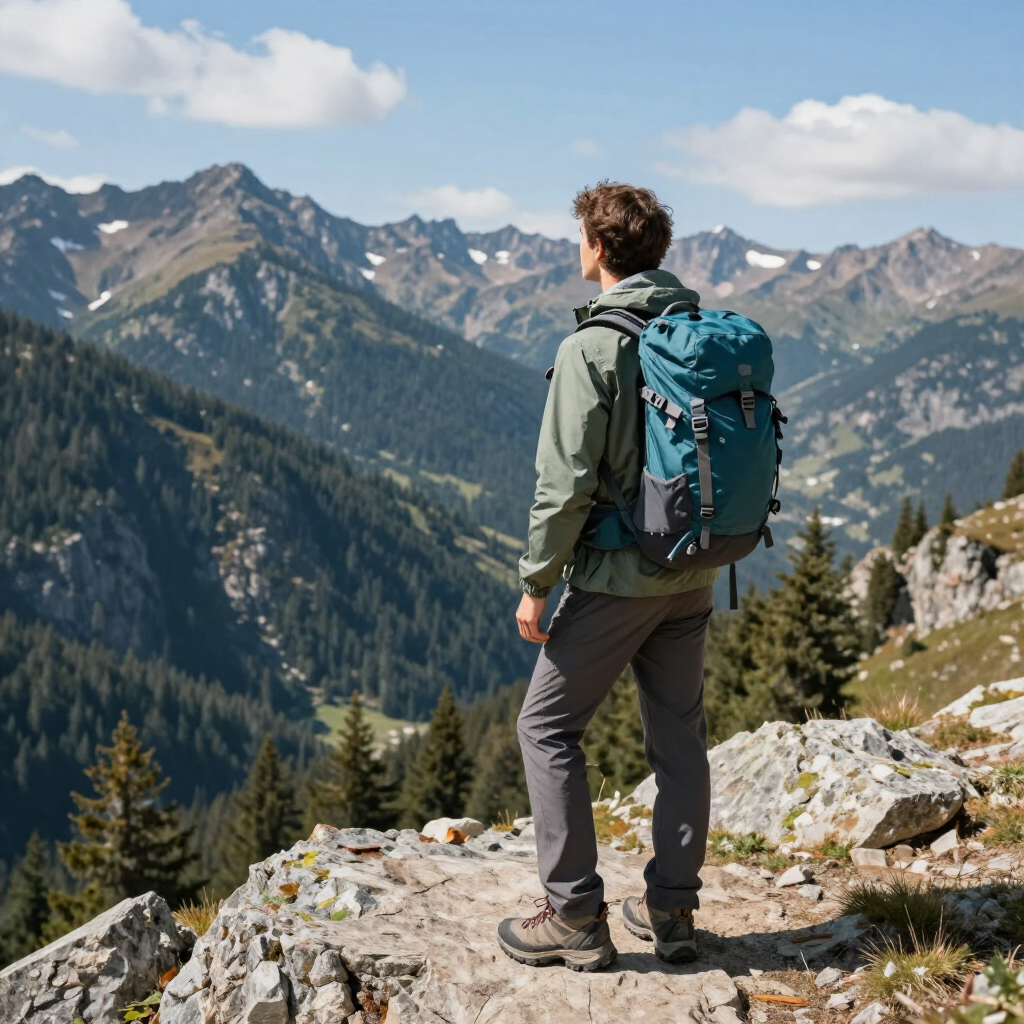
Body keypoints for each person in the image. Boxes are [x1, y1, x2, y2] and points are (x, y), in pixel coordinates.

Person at [496, 181, 716, 972]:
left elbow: (564, 484)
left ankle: (574, 916)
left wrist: (537, 582)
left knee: (546, 728)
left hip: (619, 579)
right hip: (692, 569)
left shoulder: (591, 347)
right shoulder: (696, 330)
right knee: (680, 737)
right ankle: (673, 911)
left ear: (596, 247)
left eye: (579, 238)